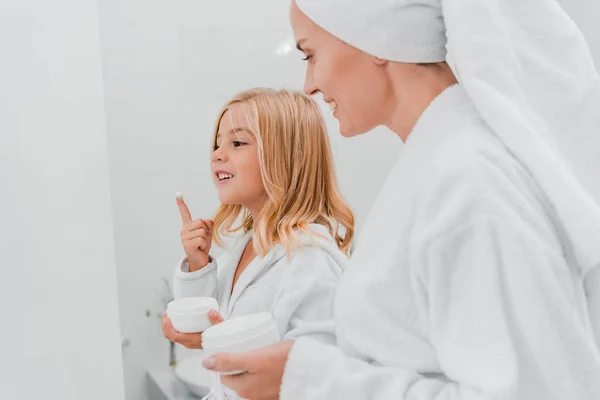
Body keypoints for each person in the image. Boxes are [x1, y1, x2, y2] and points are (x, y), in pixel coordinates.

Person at [201, 1, 600, 399]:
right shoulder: (434, 165)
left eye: (311, 55)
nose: (310, 85)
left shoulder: (470, 181)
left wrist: (309, 378)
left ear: (375, 40)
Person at [161, 88, 354, 399]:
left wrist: (222, 342)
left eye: (237, 143)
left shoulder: (311, 261)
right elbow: (208, 315)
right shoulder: (245, 249)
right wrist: (198, 264)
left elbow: (317, 380)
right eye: (217, 143)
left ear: (287, 158)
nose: (217, 154)